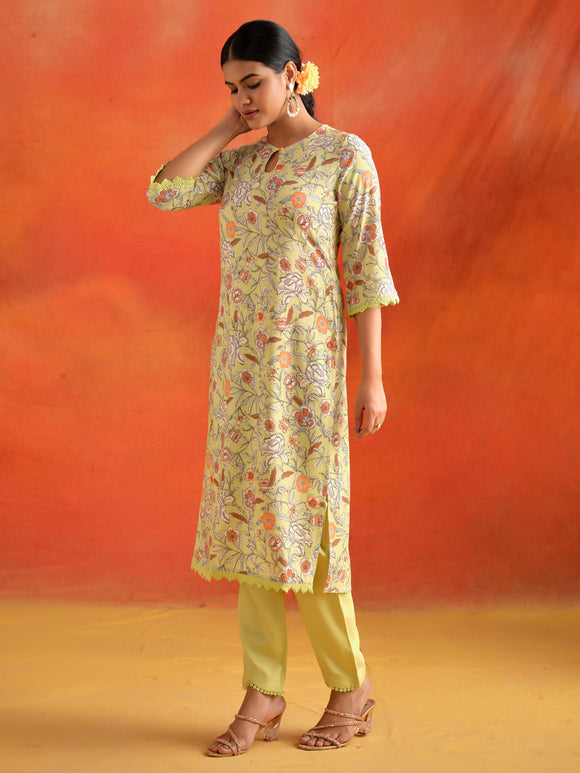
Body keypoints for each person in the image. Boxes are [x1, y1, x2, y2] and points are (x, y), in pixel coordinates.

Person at [147, 19, 399, 757]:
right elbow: (165, 191)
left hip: (310, 375)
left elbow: (366, 271)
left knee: (313, 530)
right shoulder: (242, 165)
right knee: (248, 526)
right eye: (232, 87)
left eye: (253, 83)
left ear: (295, 75)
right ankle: (263, 689)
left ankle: (349, 686)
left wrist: (373, 377)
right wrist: (230, 127)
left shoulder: (344, 156)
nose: (243, 98)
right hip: (240, 377)